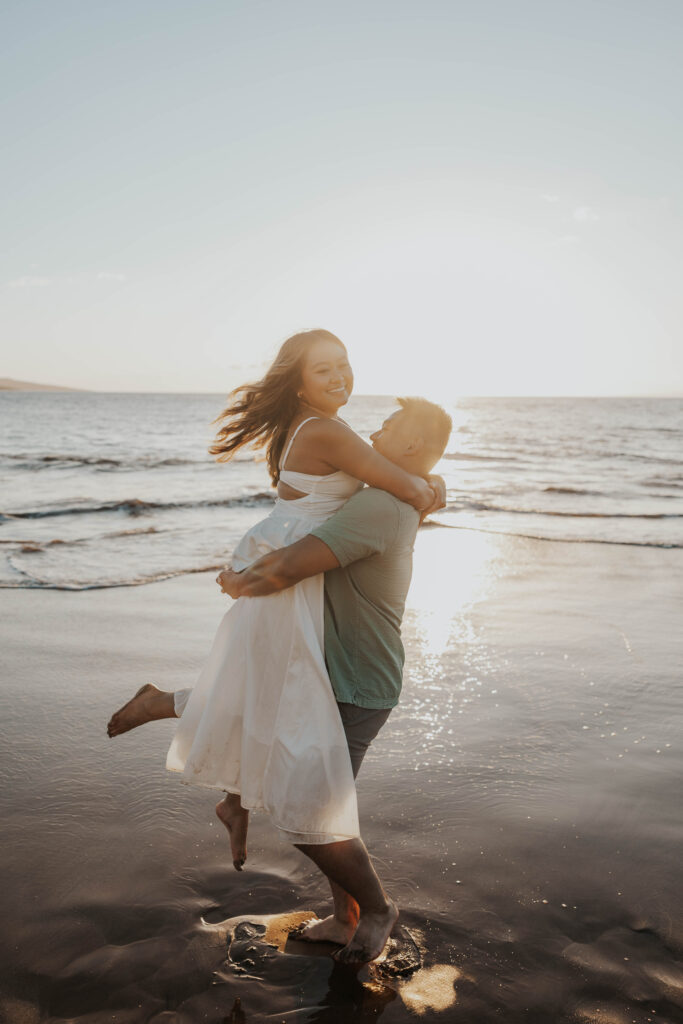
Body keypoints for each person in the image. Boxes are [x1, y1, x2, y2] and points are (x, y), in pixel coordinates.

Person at [108, 394, 452, 964]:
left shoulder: (381, 507)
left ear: (411, 443)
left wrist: (238, 581)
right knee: (309, 788)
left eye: (388, 424)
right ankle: (346, 918)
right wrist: (430, 486)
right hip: (331, 668)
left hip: (353, 683)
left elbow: (292, 566)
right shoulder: (387, 495)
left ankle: (377, 910)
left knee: (312, 816)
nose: (375, 430)